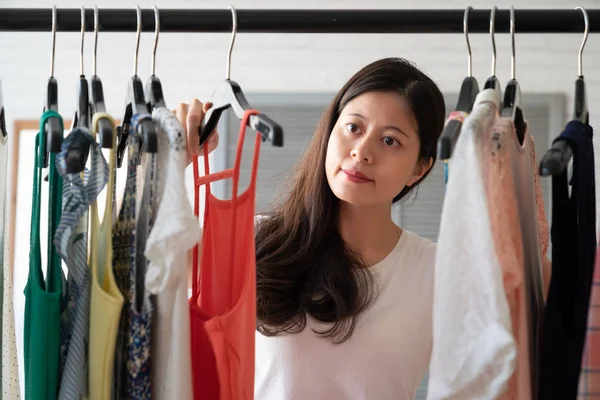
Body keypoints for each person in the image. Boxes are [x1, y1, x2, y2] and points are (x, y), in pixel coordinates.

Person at [178, 57, 446, 399]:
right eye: (354, 128)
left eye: (390, 140)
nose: (362, 152)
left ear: (419, 169)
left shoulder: (436, 272)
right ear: (331, 130)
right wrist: (174, 159)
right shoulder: (257, 240)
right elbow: (154, 266)